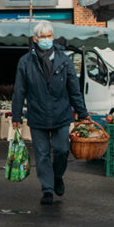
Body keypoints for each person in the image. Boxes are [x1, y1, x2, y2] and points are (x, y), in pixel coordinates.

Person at [12, 21, 89, 205]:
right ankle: (47, 189)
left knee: (62, 150)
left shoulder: (64, 60)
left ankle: (57, 176)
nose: (46, 40)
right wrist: (16, 116)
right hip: (37, 114)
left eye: (49, 36)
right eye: (43, 37)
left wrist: (82, 112)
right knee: (42, 154)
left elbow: (74, 89)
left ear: (53, 37)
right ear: (35, 39)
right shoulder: (25, 62)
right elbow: (19, 91)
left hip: (61, 114)